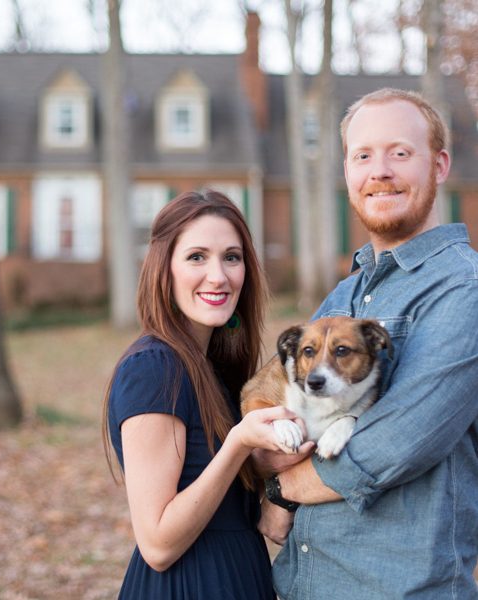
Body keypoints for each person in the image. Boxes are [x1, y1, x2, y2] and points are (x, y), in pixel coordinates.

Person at [257, 88, 478, 599]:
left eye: (400, 153)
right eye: (363, 156)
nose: (379, 171)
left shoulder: (462, 289)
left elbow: (399, 442)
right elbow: (276, 405)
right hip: (298, 583)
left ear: (439, 165)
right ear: (348, 172)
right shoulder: (344, 294)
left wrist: (281, 490)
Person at [102, 190, 313, 599]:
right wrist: (238, 443)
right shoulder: (153, 369)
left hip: (239, 576)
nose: (218, 275)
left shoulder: (212, 369)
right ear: (165, 269)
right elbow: (158, 543)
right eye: (197, 256)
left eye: (231, 257)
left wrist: (270, 479)